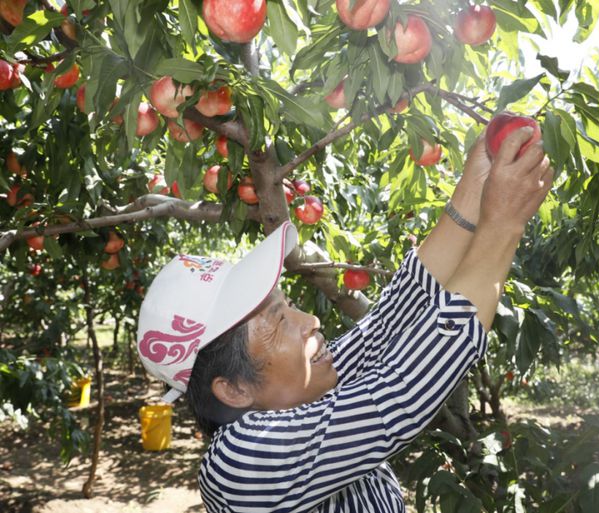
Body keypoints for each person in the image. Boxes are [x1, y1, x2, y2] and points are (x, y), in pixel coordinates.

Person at [137, 127, 552, 513]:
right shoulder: (241, 463)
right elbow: (402, 393)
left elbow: (391, 318)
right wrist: (503, 225)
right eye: (278, 321)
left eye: (287, 306)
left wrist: (474, 191)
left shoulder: (303, 390)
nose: (311, 320)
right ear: (234, 389)